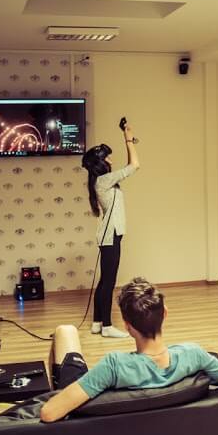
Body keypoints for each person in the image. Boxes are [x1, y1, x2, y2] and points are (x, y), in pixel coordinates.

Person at [40, 277, 218, 422]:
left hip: (78, 402)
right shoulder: (193, 354)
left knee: (65, 331)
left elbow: (48, 413)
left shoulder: (113, 366)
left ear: (127, 326)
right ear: (165, 313)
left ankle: (57, 390)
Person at [81, 121, 140, 339]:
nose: (110, 159)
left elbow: (129, 165)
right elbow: (134, 165)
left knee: (104, 280)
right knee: (109, 282)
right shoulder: (104, 180)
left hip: (110, 234)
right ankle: (107, 326)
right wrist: (128, 139)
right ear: (100, 163)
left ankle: (98, 323)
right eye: (106, 157)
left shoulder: (102, 181)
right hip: (110, 235)